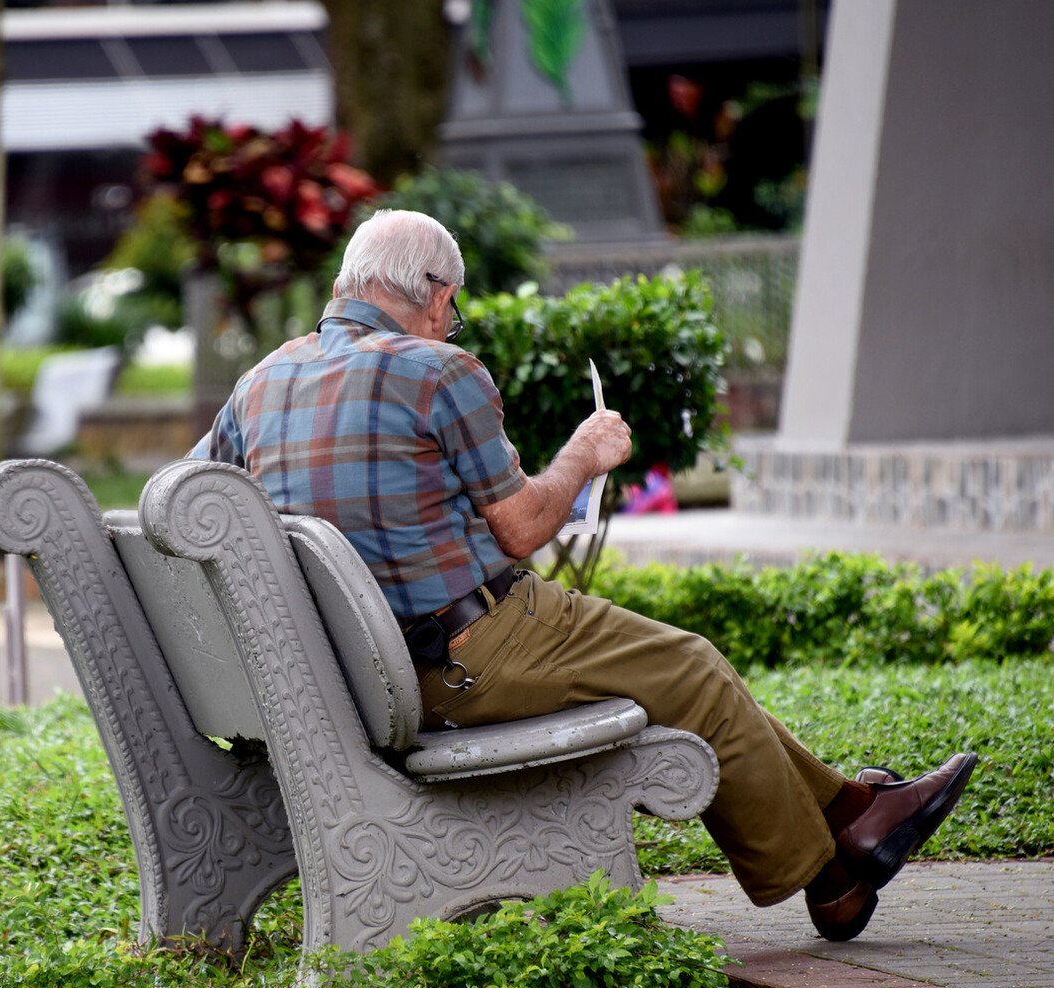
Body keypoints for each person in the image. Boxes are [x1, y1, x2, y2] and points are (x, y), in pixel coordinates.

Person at [190, 208, 975, 941]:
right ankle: (829, 865)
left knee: (676, 672)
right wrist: (584, 454)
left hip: (352, 673)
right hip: (467, 653)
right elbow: (524, 527)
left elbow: (186, 503)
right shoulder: (437, 370)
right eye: (450, 305)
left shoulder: (258, 384)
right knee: (692, 667)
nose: (448, 319)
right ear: (433, 293)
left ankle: (855, 811)